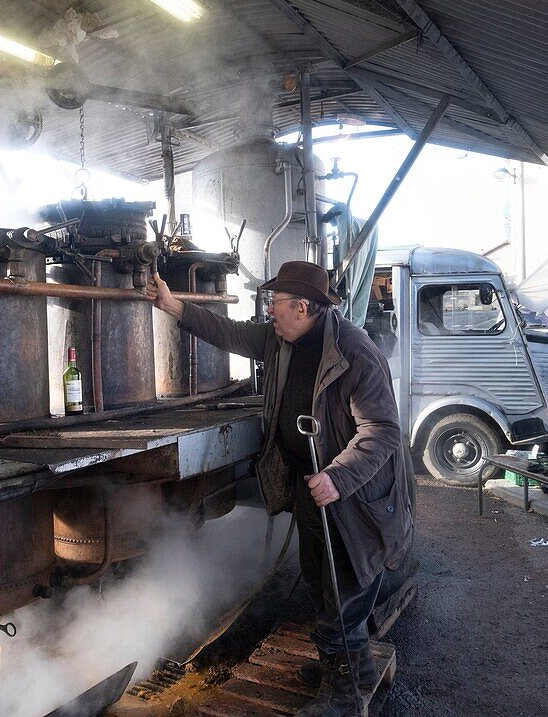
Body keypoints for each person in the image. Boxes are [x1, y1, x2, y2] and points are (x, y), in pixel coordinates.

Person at [147, 261, 413, 716]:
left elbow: (381, 430)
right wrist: (174, 305)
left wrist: (338, 476)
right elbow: (229, 333)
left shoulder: (354, 352)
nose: (269, 312)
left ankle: (345, 697)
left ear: (303, 307)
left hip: (356, 496)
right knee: (319, 582)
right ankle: (355, 669)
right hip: (311, 485)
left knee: (343, 589)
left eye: (275, 304)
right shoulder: (281, 338)